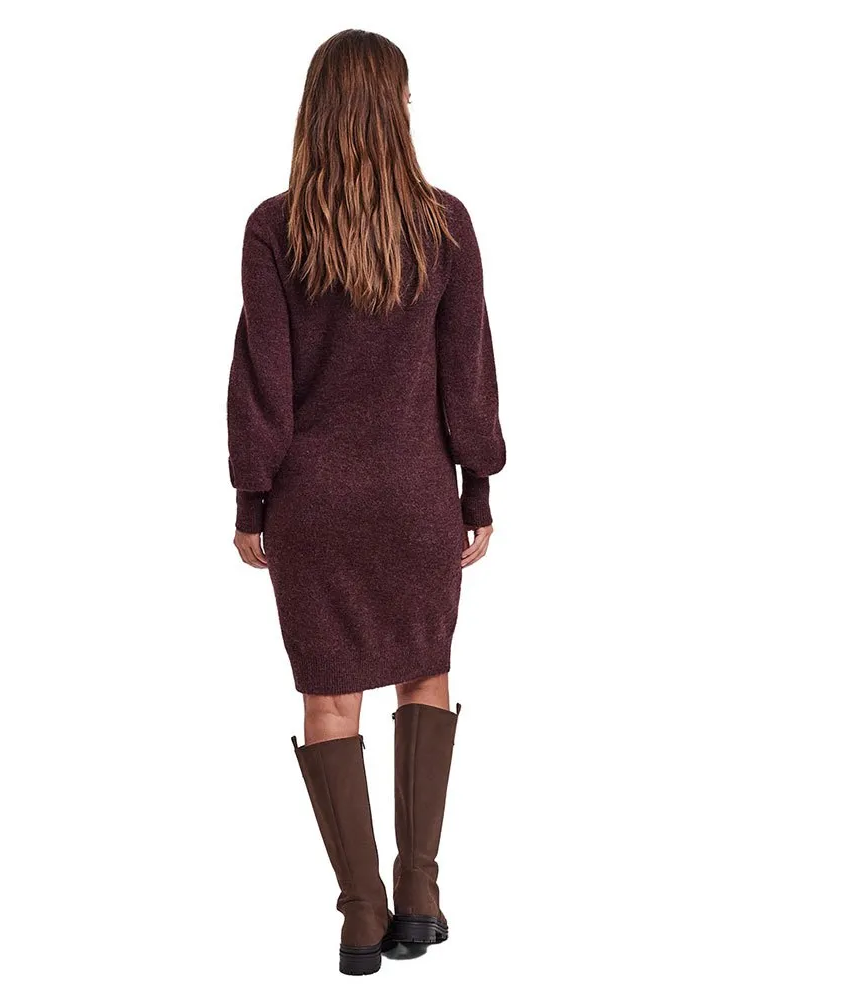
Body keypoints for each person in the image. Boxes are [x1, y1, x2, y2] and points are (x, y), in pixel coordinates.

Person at [226, 29, 506, 976]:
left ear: (316, 110)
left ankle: (360, 917)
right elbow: (468, 373)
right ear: (397, 107)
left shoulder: (275, 229)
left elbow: (262, 381)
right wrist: (477, 486)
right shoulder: (446, 224)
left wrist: (252, 499)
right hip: (416, 498)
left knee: (329, 699)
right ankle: (419, 896)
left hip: (314, 507)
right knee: (425, 675)